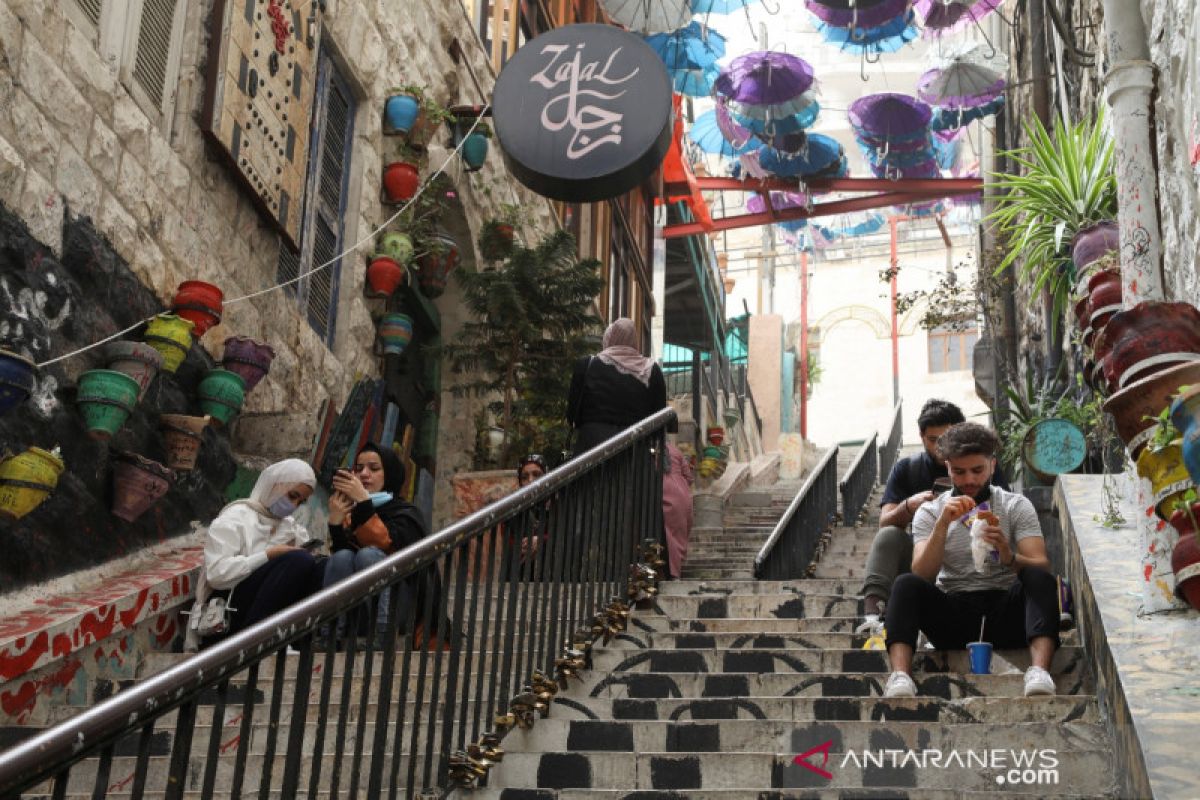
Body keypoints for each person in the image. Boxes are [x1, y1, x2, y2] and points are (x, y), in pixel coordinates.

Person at [882, 422, 1060, 699]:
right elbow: (922, 573)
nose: (969, 481)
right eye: (959, 472)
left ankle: (1039, 672)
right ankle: (901, 676)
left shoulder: (1015, 505)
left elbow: (1041, 564)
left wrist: (1008, 555)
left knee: (1038, 577)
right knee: (905, 584)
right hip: (953, 612)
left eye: (977, 470)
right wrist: (942, 524)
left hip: (1006, 610)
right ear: (947, 468)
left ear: (991, 465)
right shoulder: (930, 512)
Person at [856, 399, 1010, 636]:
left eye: (947, 438)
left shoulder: (984, 467)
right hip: (924, 558)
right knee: (888, 535)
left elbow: (1008, 512)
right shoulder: (907, 468)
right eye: (932, 440)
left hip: (974, 559)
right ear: (921, 436)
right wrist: (909, 506)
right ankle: (873, 616)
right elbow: (884, 521)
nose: (940, 446)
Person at [186, 459, 326, 650]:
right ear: (274, 484)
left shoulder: (291, 528)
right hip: (228, 614)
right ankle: (255, 641)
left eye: (300, 502)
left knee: (320, 565)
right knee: (298, 560)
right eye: (292, 496)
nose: (293, 506)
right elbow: (216, 575)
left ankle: (291, 640)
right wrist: (269, 555)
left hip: (265, 609)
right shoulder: (236, 517)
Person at [323, 442, 441, 645]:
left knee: (368, 555)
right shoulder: (353, 513)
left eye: (374, 468)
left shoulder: (406, 512)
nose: (364, 474)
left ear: (390, 474)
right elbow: (346, 560)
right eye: (358, 469)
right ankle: (330, 634)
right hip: (359, 609)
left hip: (399, 607)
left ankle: (383, 633)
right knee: (342, 557)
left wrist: (363, 503)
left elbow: (384, 543)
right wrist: (335, 523)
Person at [567, 318, 671, 455]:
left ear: (610, 338)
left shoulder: (587, 365)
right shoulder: (651, 370)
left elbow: (572, 414)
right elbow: (658, 417)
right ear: (634, 340)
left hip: (591, 451)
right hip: (634, 455)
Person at [662, 442, 695, 578]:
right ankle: (676, 570)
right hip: (683, 494)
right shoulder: (676, 451)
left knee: (669, 534)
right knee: (680, 534)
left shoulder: (652, 449)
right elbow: (689, 477)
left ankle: (672, 572)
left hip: (665, 491)